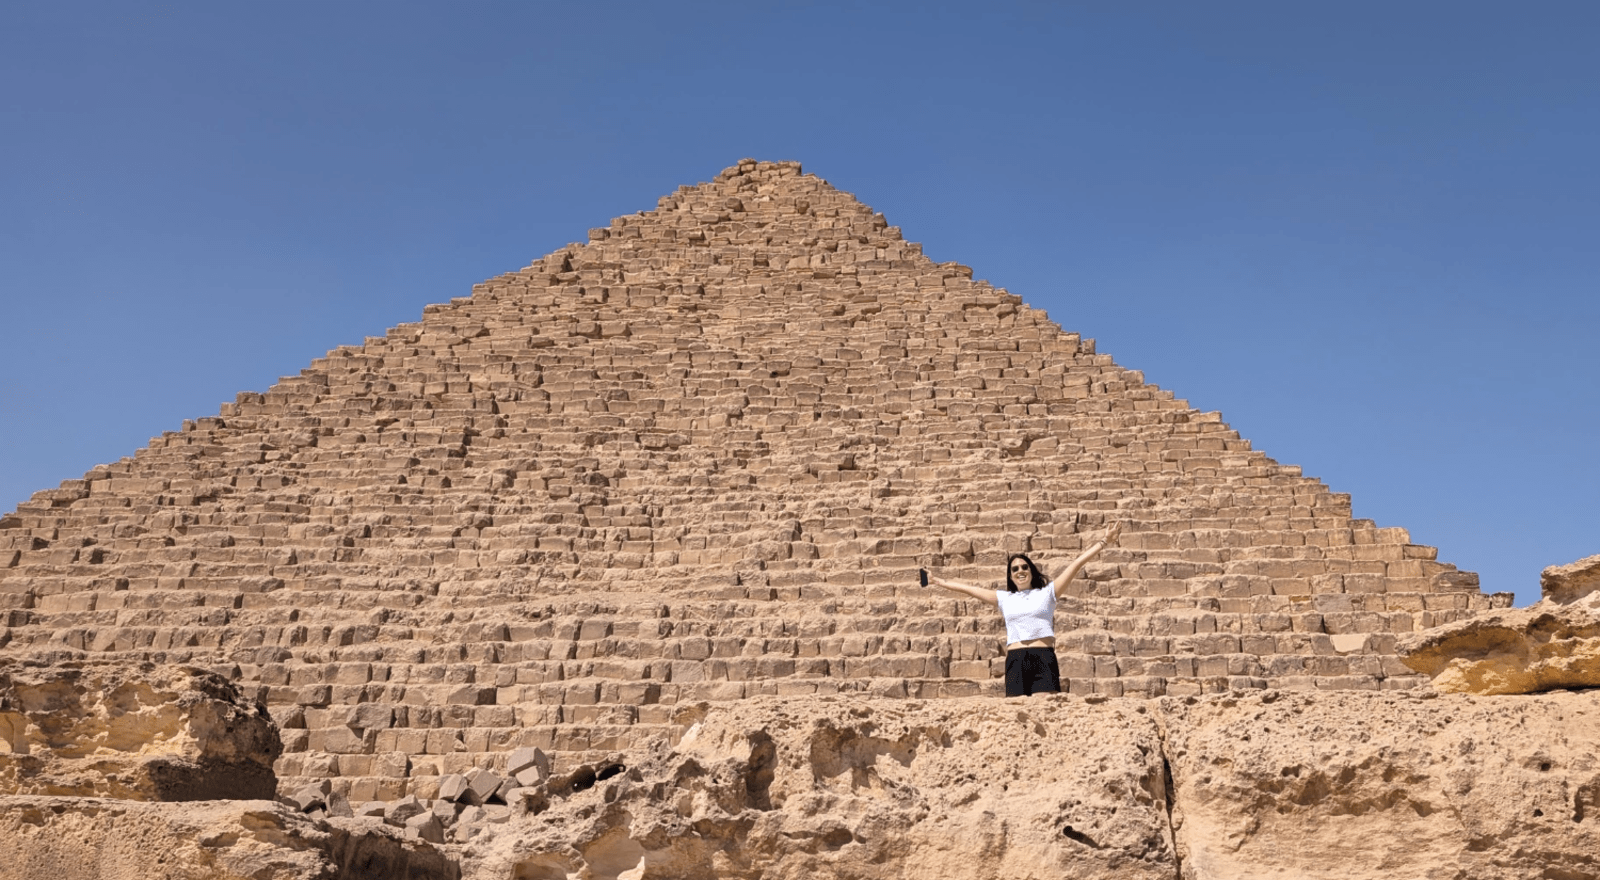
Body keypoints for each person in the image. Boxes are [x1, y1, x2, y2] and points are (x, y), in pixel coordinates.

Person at [926, 523, 1122, 697]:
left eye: (1024, 567)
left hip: (1042, 657)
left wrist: (1104, 541)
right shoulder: (1004, 598)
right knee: (1018, 715)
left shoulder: (1048, 593)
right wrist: (938, 581)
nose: (1020, 570)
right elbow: (968, 589)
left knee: (1044, 710)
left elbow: (1075, 564)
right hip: (1015, 660)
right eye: (1015, 569)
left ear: (1031, 570)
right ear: (1010, 576)